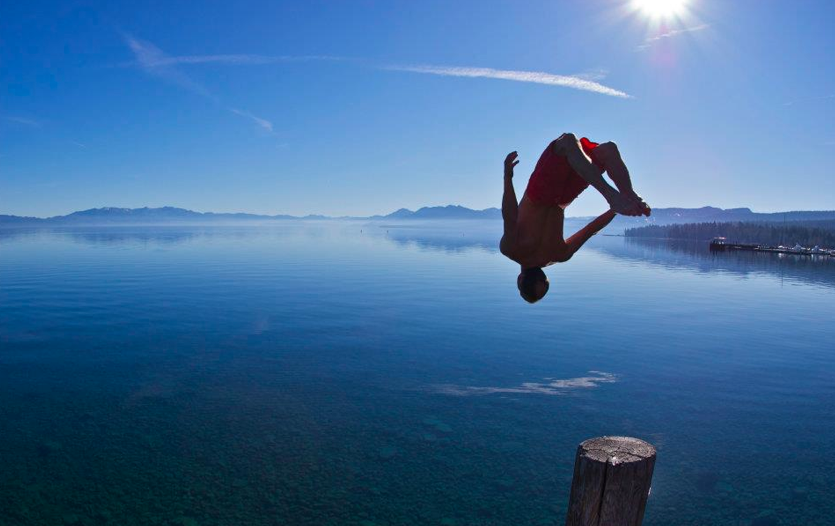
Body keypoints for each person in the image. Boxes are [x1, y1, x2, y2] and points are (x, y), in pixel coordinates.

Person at [499, 133, 651, 303]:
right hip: (541, 194)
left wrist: (614, 211)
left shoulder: (560, 255)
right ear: (519, 279)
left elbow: (591, 229)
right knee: (568, 142)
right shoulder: (511, 249)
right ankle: (621, 194)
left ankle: (628, 196)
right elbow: (509, 216)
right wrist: (508, 177)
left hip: (562, 198)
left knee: (608, 150)